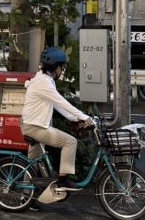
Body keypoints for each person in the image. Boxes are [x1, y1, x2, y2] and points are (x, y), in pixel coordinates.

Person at [21, 47, 94, 191]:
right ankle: (63, 181)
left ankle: (26, 196)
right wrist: (84, 117)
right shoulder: (43, 82)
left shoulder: (46, 80)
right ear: (54, 67)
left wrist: (75, 118)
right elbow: (61, 102)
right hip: (34, 127)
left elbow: (57, 105)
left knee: (33, 163)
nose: (62, 70)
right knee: (70, 142)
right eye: (61, 67)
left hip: (33, 125)